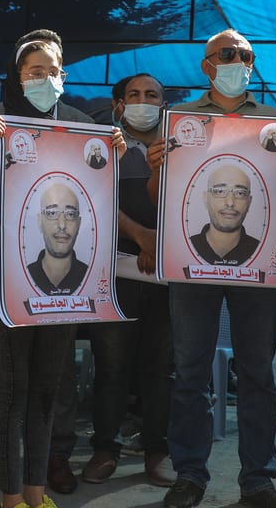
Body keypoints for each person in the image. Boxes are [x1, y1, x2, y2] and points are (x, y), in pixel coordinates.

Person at [0, 29, 122, 508]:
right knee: (8, 391)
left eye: (53, 71)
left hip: (66, 286)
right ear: (19, 77)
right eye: (35, 72)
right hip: (10, 275)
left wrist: (112, 156)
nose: (45, 79)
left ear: (64, 75)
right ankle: (11, 495)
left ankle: (36, 494)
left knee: (47, 388)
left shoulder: (83, 128)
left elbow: (98, 200)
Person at [145, 28, 276, 508]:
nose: (239, 63)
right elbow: (161, 201)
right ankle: (190, 473)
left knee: (258, 373)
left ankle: (258, 480)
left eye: (247, 55)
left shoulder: (274, 123)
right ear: (207, 65)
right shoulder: (180, 121)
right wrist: (155, 171)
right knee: (189, 372)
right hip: (191, 267)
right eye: (229, 55)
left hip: (258, 270)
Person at [80, 73, 176, 488]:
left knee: (161, 367)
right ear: (118, 104)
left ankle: (159, 449)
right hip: (113, 270)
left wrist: (161, 242)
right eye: (133, 95)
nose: (143, 101)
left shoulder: (180, 146)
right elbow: (92, 197)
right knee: (112, 365)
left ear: (163, 103)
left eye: (151, 95)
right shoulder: (101, 147)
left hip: (167, 271)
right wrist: (141, 235)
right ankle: (106, 447)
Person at [188, 163, 260, 266]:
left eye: (240, 193)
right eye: (220, 191)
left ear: (249, 202)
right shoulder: (187, 247)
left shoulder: (261, 250)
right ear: (205, 199)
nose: (230, 203)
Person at [27, 183, 89, 295]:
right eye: (52, 213)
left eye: (70, 214)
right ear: (40, 221)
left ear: (78, 224)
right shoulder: (24, 275)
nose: (62, 225)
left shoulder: (91, 276)